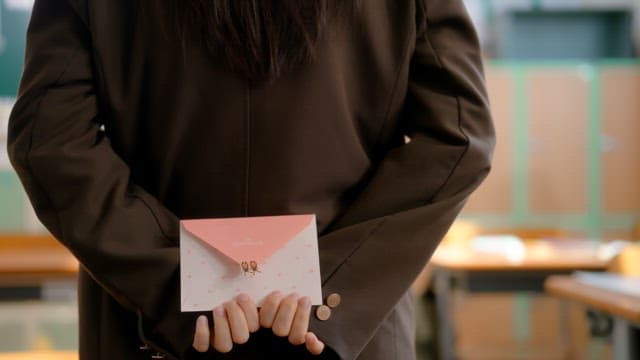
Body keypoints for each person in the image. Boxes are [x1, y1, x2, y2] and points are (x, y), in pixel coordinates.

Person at [7, 0, 494, 359]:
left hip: (149, 329)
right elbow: (458, 135)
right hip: (348, 333)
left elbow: (49, 142)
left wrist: (180, 285)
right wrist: (328, 293)